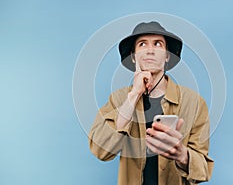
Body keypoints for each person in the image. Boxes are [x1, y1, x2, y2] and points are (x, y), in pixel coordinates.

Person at [89, 21, 214, 185]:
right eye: (142, 44)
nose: (150, 50)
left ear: (167, 55)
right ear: (133, 56)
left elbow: (204, 171)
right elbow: (101, 151)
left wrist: (182, 155)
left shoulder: (195, 103)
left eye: (158, 44)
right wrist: (134, 95)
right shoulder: (119, 99)